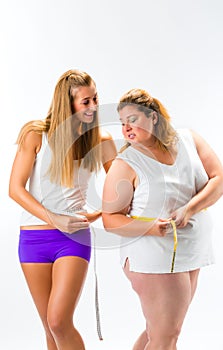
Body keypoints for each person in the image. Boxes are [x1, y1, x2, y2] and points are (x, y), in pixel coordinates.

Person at [102, 88, 223, 350]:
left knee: (159, 332)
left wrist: (189, 210)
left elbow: (220, 181)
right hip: (154, 255)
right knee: (166, 336)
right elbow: (110, 219)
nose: (126, 129)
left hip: (191, 248)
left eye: (132, 120)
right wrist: (151, 228)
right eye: (123, 123)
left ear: (154, 117)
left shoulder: (189, 140)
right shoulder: (126, 162)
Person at [9, 69, 117, 350]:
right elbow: (15, 189)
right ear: (66, 104)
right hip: (33, 238)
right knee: (48, 326)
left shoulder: (101, 141)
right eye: (86, 101)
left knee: (59, 321)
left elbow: (121, 191)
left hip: (73, 238)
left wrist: (93, 215)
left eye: (96, 98)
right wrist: (53, 218)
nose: (94, 106)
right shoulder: (35, 134)